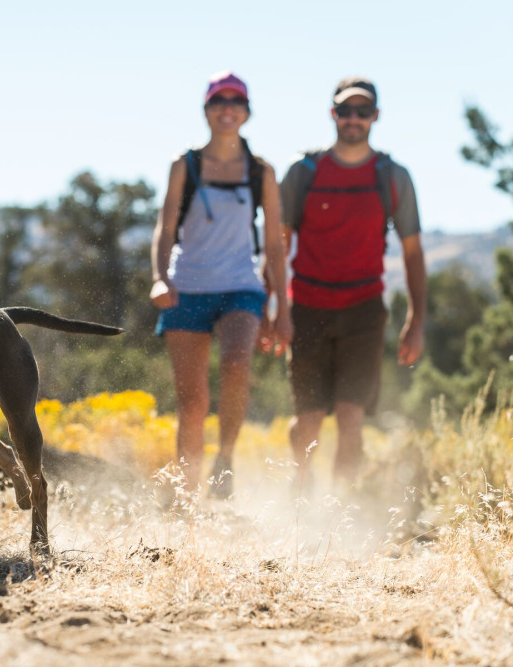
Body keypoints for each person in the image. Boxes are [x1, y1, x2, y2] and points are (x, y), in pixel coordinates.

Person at [278, 76, 426, 490]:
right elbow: (277, 246)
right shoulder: (302, 172)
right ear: (333, 114)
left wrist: (416, 319)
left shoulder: (392, 176)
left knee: (351, 417)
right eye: (346, 110)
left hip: (364, 309)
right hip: (306, 307)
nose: (354, 118)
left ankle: (340, 512)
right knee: (307, 420)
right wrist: (273, 307)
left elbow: (413, 252)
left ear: (376, 116)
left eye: (363, 111)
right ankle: (300, 493)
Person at [150, 71, 292, 497]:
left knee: (236, 364)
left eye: (236, 102)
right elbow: (165, 227)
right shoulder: (185, 165)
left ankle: (225, 459)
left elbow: (273, 244)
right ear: (206, 110)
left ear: (247, 113)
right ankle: (186, 495)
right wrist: (159, 277)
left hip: (240, 286)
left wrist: (281, 310)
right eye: (218, 101)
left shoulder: (261, 171)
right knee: (191, 404)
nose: (227, 109)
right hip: (186, 287)